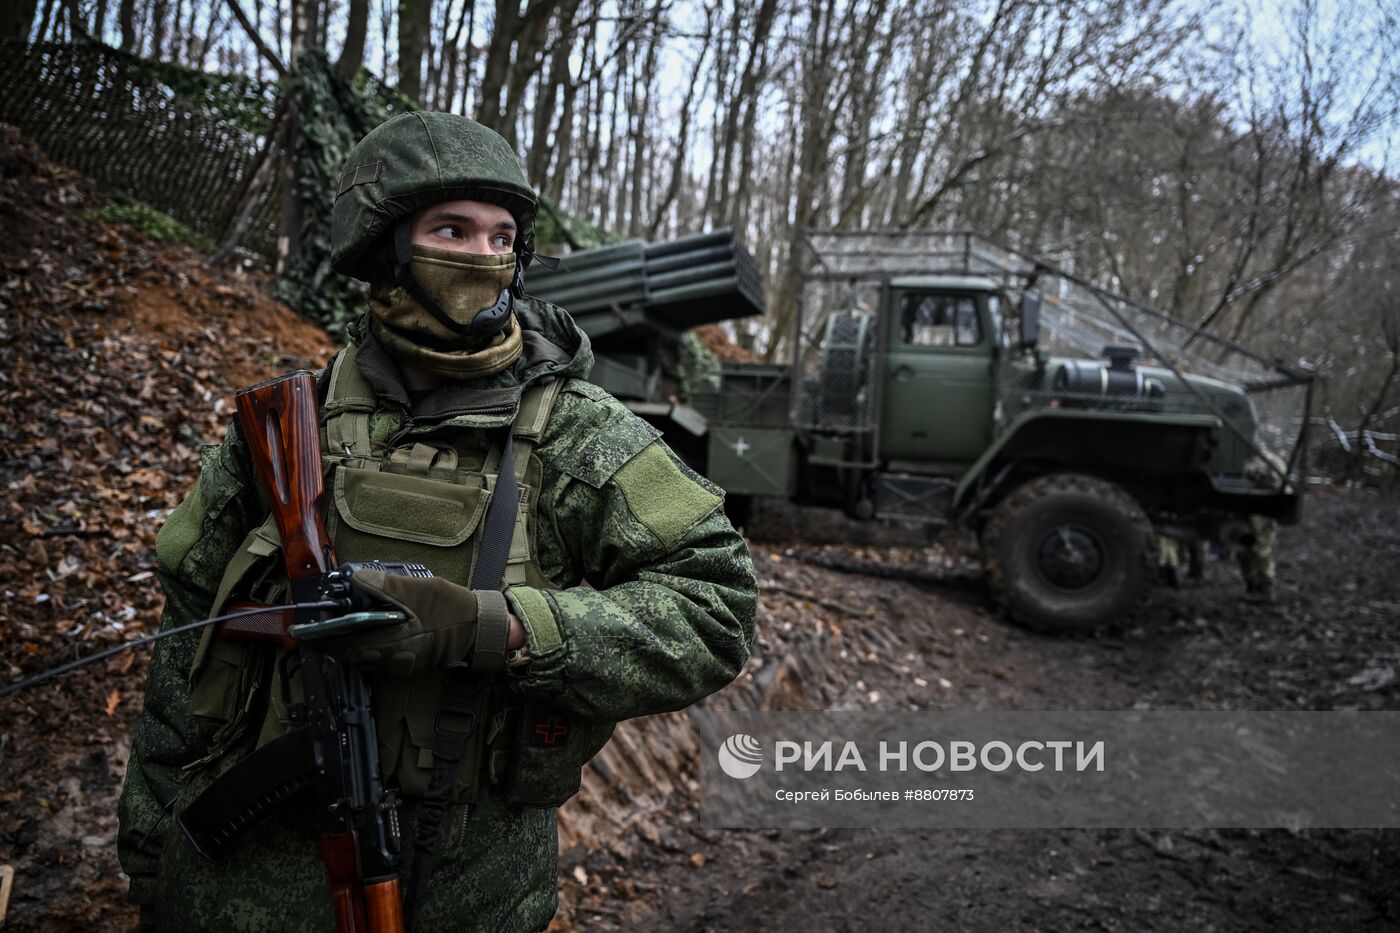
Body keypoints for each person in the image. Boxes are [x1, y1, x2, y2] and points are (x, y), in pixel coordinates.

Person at [116, 111, 758, 931]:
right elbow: (185, 643)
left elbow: (718, 606)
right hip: (236, 892)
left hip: (468, 890)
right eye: (451, 229)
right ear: (385, 247)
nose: (483, 258)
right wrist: (150, 862)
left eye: (500, 239)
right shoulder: (287, 431)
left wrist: (499, 627)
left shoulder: (579, 436)